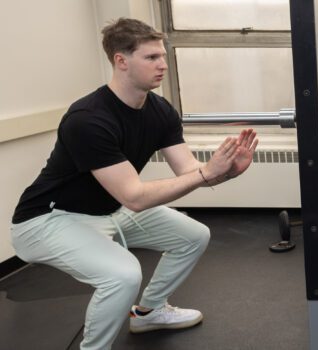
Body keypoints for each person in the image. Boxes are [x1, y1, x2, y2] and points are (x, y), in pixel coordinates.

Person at [9, 18, 258, 350]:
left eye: (163, 56)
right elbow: (136, 197)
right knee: (122, 276)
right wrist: (207, 173)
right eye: (151, 57)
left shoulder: (159, 110)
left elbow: (189, 170)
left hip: (110, 209)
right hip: (47, 220)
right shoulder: (88, 119)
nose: (162, 65)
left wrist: (228, 170)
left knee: (193, 235)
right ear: (121, 61)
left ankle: (149, 312)